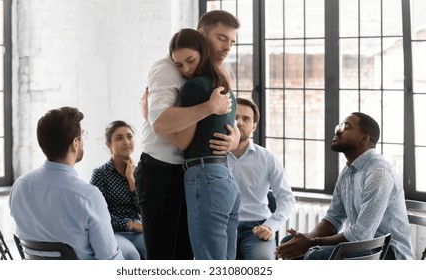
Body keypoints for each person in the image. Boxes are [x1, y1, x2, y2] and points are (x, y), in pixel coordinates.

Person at [135, 10, 241, 260]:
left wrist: (234, 138)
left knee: (187, 256)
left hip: (191, 172)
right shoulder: (166, 69)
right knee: (164, 259)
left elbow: (229, 118)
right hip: (160, 171)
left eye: (231, 41)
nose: (227, 47)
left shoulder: (216, 73)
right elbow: (161, 123)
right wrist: (207, 108)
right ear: (202, 35)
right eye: (221, 38)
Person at [275, 112, 414, 260]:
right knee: (289, 243)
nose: (338, 130)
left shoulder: (379, 173)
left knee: (315, 255)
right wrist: (306, 238)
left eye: (346, 126)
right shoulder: (348, 171)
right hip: (362, 246)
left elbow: (361, 234)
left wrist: (312, 243)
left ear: (364, 139)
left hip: (389, 253)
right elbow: (333, 219)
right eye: (339, 126)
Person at [9, 106, 124, 260]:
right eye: (82, 135)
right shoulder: (88, 196)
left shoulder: (20, 185)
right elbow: (110, 259)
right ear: (75, 143)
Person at [164, 28, 240, 260]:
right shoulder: (223, 84)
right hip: (226, 179)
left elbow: (183, 139)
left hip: (204, 177)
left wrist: (153, 119)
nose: (186, 69)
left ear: (203, 53)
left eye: (190, 61)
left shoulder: (195, 87)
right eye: (179, 65)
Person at [228, 97, 295, 260]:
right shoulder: (213, 157)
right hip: (222, 226)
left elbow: (287, 198)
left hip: (257, 227)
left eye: (246, 119)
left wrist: (270, 226)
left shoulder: (268, 158)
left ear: (254, 127)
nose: (239, 122)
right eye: (235, 117)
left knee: (263, 263)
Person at [90, 121, 146, 260]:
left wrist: (131, 180)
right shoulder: (100, 174)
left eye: (129, 136)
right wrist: (131, 225)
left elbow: (142, 209)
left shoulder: (140, 171)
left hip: (139, 229)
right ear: (109, 144)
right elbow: (97, 214)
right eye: (119, 138)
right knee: (130, 255)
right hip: (114, 231)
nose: (126, 142)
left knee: (158, 250)